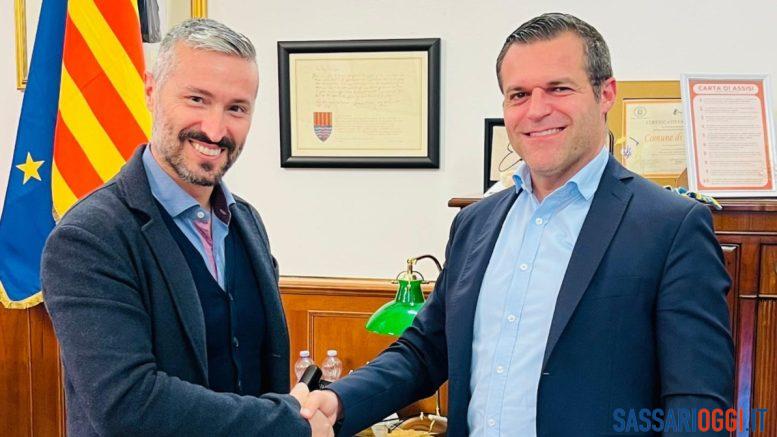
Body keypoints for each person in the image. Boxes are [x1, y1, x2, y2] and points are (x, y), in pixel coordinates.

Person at [302, 12, 734, 436]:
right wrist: (338, 400)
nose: (537, 110)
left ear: (606, 94)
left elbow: (698, 405)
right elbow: (426, 351)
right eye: (519, 94)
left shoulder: (671, 226)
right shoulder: (475, 223)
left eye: (558, 88)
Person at [41, 19, 331, 437]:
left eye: (236, 108)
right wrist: (287, 421)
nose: (215, 130)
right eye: (197, 99)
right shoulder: (88, 237)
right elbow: (128, 405)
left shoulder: (247, 221)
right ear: (151, 91)